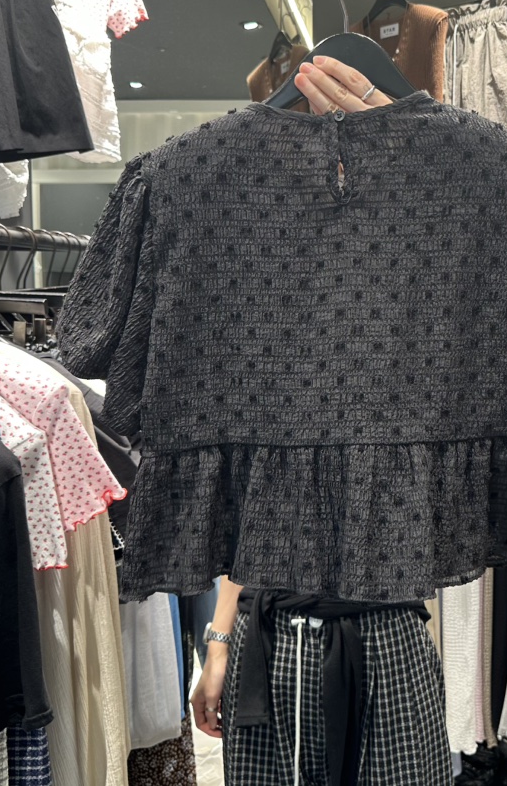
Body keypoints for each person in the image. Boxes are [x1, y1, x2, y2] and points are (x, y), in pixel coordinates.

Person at [190, 57, 453, 786]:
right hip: (267, 639)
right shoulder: (252, 321)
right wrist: (218, 641)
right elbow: (245, 507)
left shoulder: (426, 303)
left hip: (386, 636)